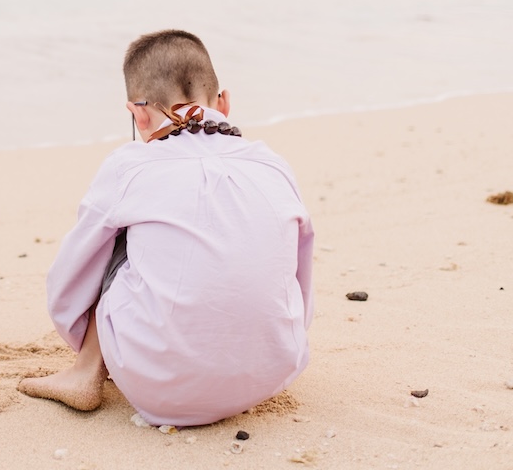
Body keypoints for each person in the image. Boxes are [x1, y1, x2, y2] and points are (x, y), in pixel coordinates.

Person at [19, 29, 313, 426]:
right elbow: (299, 270)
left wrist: (81, 335)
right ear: (224, 102)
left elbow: (70, 276)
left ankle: (84, 372)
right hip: (275, 370)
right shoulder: (271, 163)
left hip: (159, 386)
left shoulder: (130, 166)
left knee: (117, 236)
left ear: (137, 113)